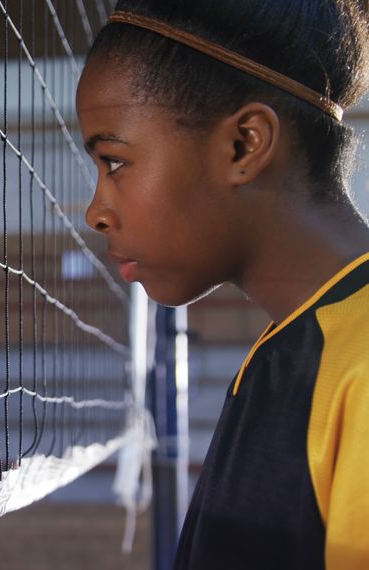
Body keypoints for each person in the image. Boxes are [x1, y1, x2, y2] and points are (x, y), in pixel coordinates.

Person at [77, 2, 369, 568]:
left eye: (113, 162)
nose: (97, 212)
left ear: (244, 145)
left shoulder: (357, 363)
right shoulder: (294, 344)